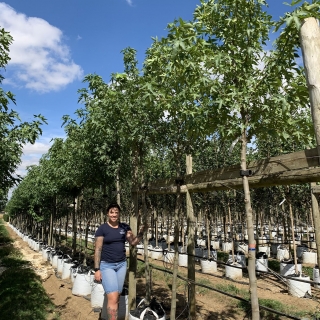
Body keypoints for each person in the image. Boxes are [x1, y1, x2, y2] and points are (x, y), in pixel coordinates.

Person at [94, 203, 146, 320]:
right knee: (112, 298)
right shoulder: (102, 229)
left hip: (121, 265)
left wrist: (142, 232)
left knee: (116, 297)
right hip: (107, 266)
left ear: (119, 214)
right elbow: (98, 249)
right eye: (111, 212)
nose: (114, 214)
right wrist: (97, 269)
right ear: (108, 214)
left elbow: (133, 242)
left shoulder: (124, 227)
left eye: (116, 212)